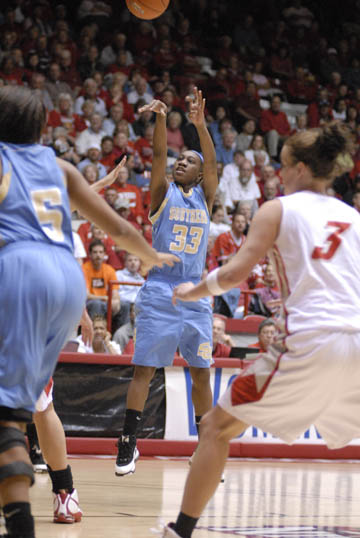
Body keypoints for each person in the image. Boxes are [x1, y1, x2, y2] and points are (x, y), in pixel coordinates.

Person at [166, 122, 360, 537]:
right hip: (357, 339)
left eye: (285, 166)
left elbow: (236, 272)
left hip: (313, 338)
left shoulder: (279, 208)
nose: (279, 173)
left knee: (216, 427)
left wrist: (191, 291)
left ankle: (180, 531)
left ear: (303, 169)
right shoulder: (352, 215)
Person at [0, 85, 177, 538]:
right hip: (66, 280)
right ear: (41, 127)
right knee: (39, 403)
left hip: (18, 271)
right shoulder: (57, 167)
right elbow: (115, 225)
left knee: (11, 415)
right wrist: (151, 256)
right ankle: (65, 493)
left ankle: (21, 517)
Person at [115, 87, 218, 477]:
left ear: (200, 172)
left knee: (201, 372)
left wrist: (200, 127)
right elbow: (159, 155)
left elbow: (212, 161)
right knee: (144, 370)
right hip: (160, 291)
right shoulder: (162, 194)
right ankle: (128, 442)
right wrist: (160, 119)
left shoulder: (206, 198)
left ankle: (205, 447)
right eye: (180, 158)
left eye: (188, 161)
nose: (181, 163)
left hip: (196, 294)